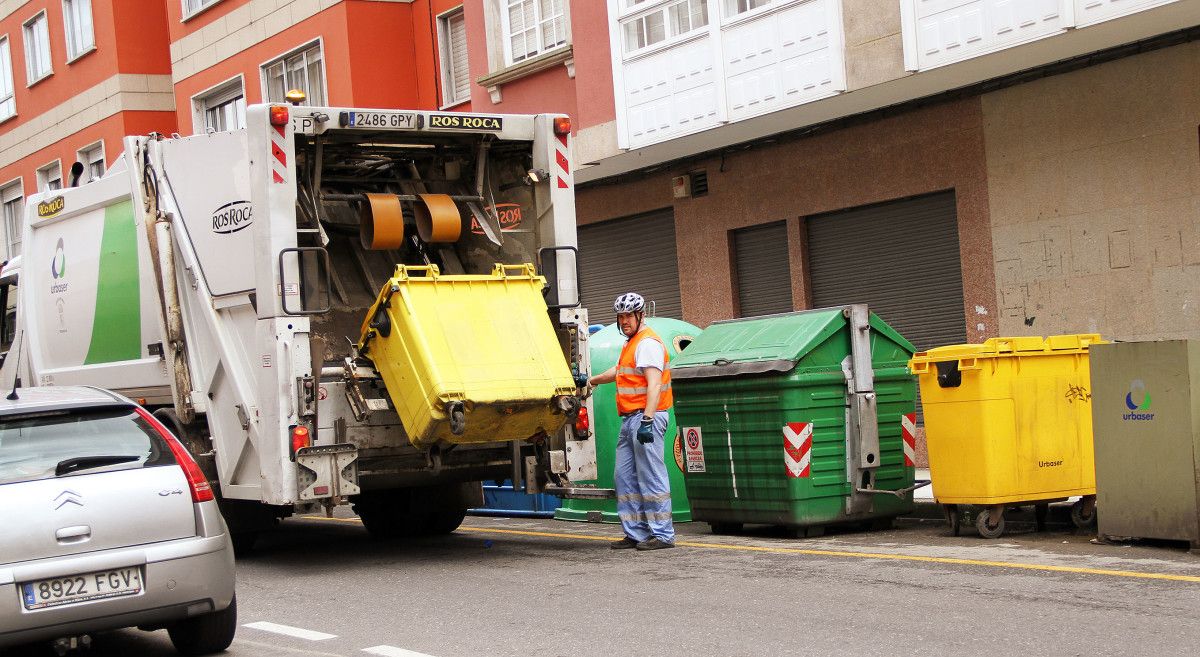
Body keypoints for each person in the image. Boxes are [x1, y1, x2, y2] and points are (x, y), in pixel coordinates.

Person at [584, 292, 676, 551]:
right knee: (624, 477)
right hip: (629, 420)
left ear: (640, 315)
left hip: (645, 418)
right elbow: (620, 371)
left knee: (651, 476)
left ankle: (662, 534)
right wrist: (593, 380)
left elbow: (654, 384)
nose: (624, 321)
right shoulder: (631, 342)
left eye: (628, 316)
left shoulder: (648, 343)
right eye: (620, 316)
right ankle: (636, 533)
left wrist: (647, 419)